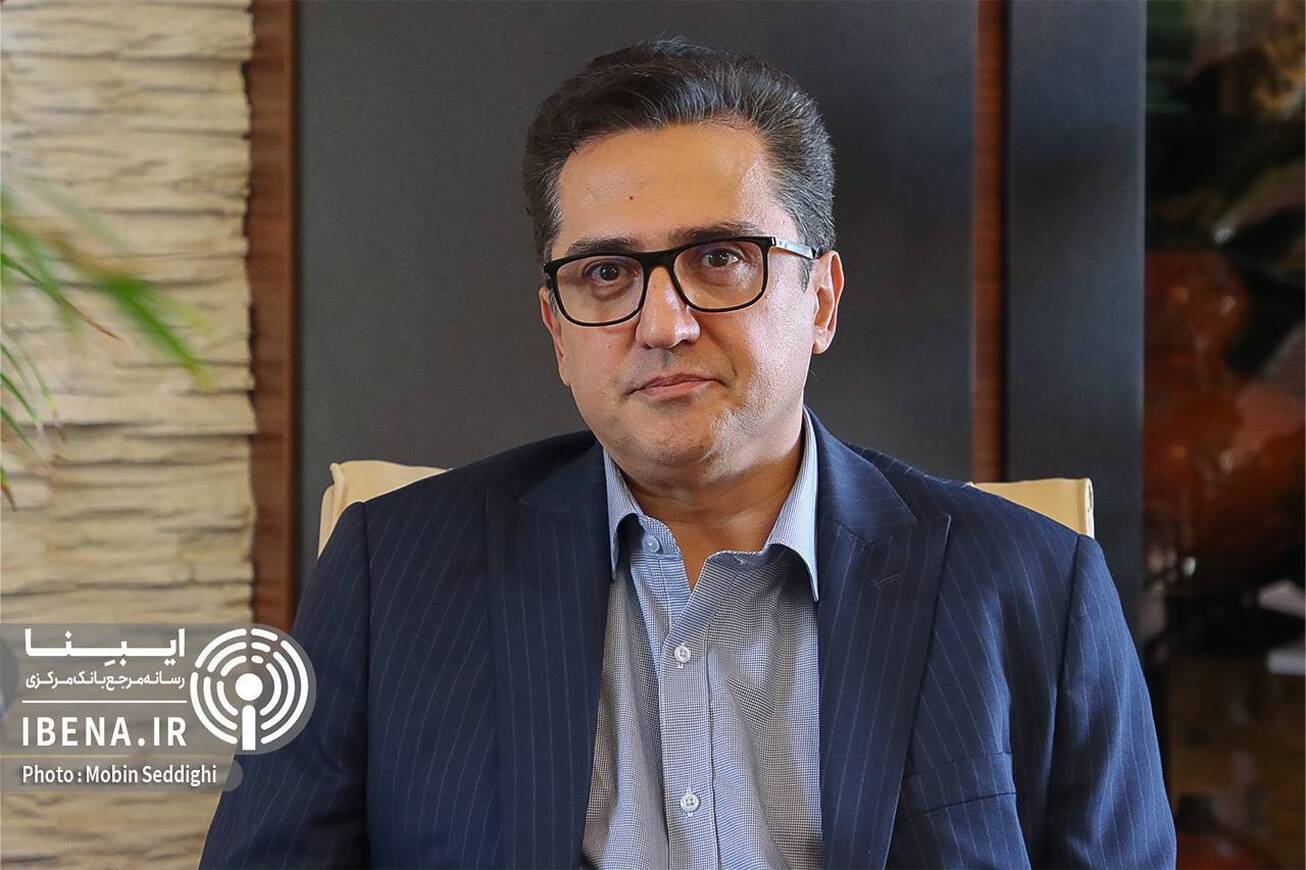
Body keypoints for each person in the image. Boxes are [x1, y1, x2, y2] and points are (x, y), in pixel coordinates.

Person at [200, 36, 1176, 869]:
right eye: (606, 273)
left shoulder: (1035, 588)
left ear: (821, 299)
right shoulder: (391, 573)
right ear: (557, 329)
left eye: (720, 259)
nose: (663, 324)